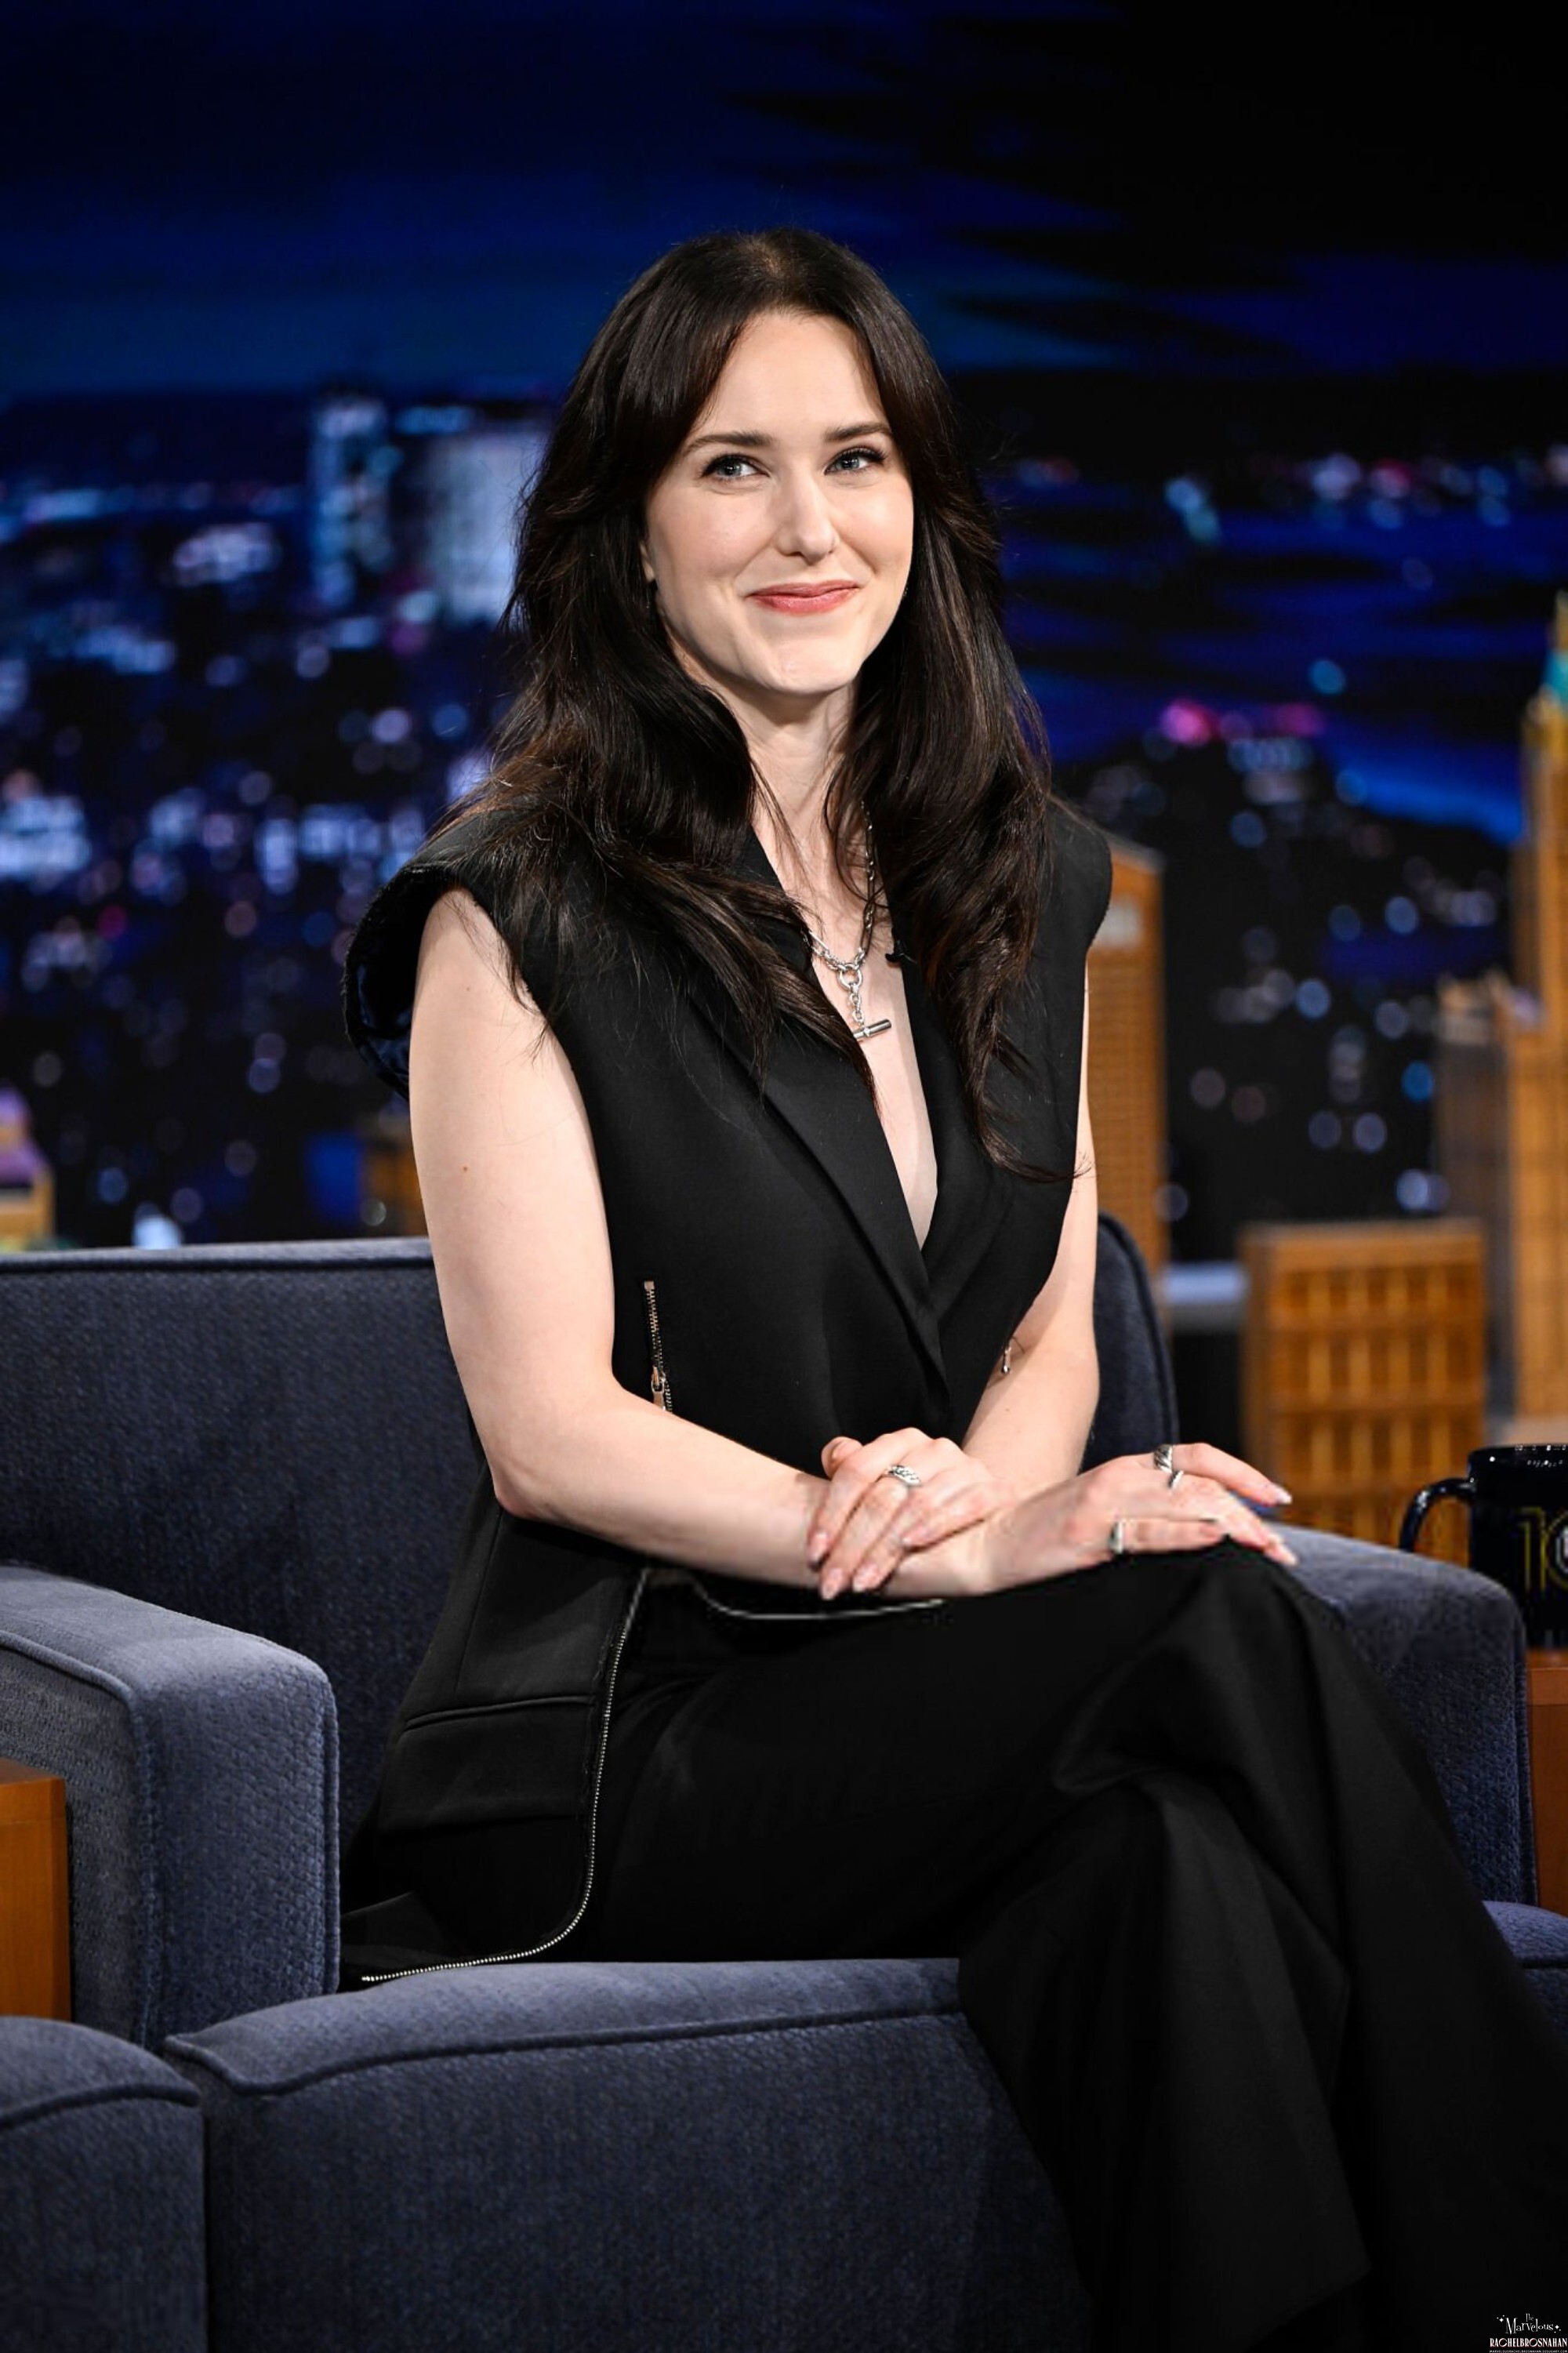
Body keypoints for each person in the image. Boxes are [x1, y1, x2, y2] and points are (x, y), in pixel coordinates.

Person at [339, 227, 1568, 2351]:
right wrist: (980, 1549)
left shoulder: (1023, 879)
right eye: (733, 467)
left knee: (1161, 1879)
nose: (808, 527)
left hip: (927, 1700)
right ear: (632, 528)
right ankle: (1530, 2291)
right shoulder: (514, 912)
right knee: (1205, 1607)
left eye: (857, 459)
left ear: (923, 499)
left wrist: (995, 1505)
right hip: (635, 1741)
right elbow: (550, 1435)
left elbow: (1043, 1321)